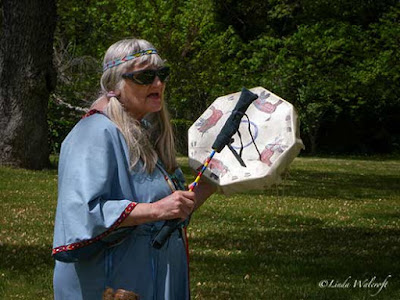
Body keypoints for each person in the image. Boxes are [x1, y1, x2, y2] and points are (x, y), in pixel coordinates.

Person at [52, 38, 216, 300]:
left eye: (162, 74)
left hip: (150, 276)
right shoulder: (95, 133)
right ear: (114, 84)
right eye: (145, 76)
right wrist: (157, 209)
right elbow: (83, 213)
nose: (158, 84)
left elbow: (171, 212)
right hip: (111, 281)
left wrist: (213, 181)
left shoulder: (145, 133)